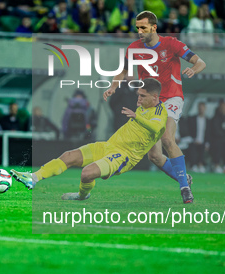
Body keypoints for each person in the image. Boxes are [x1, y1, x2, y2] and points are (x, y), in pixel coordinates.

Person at [104, 11, 207, 204]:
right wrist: (113, 86)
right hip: (149, 102)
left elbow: (200, 62)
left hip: (171, 98)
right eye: (137, 28)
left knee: (167, 138)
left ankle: (185, 189)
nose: (139, 32)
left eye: (143, 27)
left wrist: (193, 69)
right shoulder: (134, 48)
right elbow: (124, 70)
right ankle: (184, 178)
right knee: (154, 156)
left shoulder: (172, 44)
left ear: (154, 27)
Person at [11, 79, 168, 201]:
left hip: (124, 156)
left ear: (155, 97)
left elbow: (156, 128)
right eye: (138, 94)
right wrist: (114, 86)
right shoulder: (144, 105)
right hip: (108, 146)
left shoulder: (160, 112)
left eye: (142, 96)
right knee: (68, 156)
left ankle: (81, 195)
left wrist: (136, 116)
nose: (138, 99)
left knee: (86, 173)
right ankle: (33, 178)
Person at [209, 100, 225, 173]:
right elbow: (215, 130)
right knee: (218, 145)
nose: (223, 109)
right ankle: (216, 165)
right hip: (217, 139)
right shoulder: (215, 117)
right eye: (222, 107)